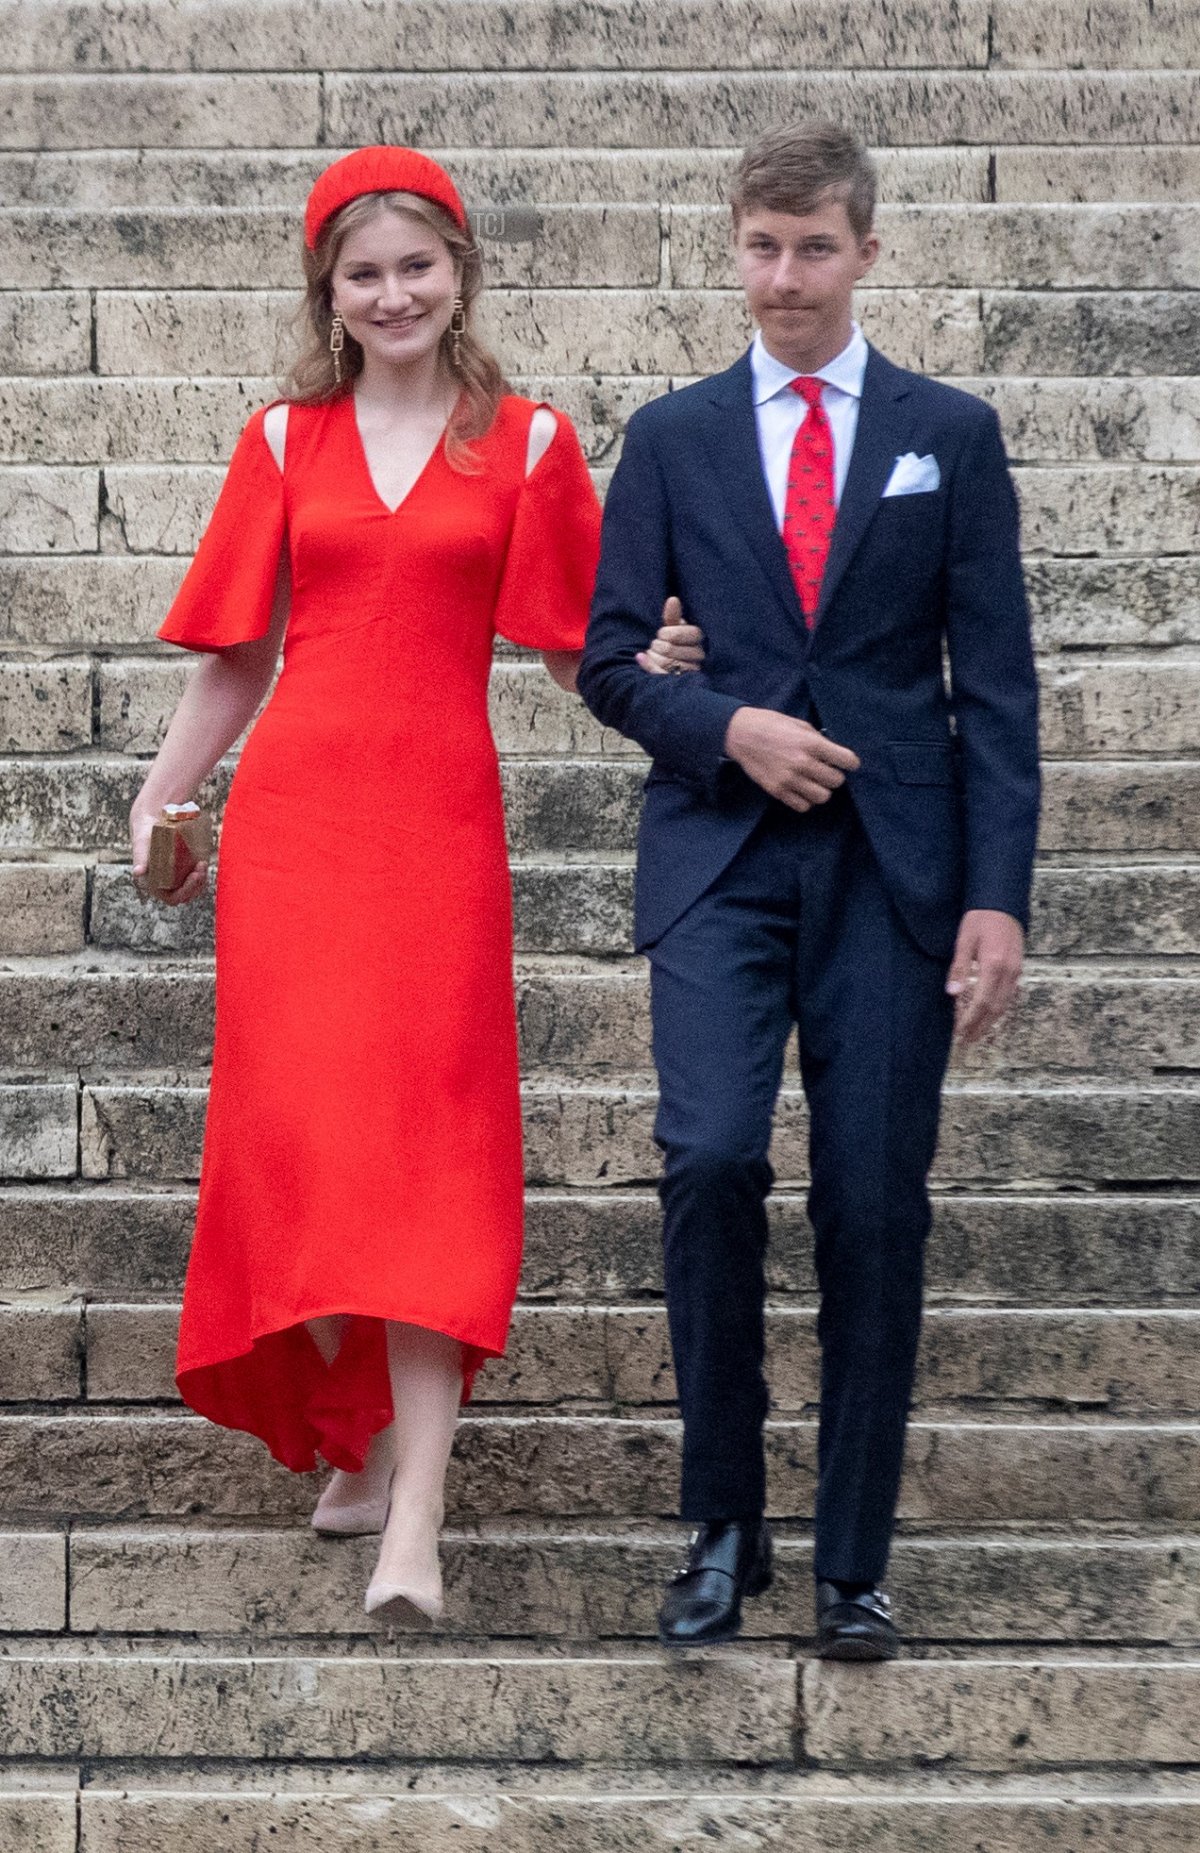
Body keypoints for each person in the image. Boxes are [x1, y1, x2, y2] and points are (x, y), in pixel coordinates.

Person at [131, 145, 696, 1621]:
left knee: (428, 1162)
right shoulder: (278, 442)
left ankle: (417, 1525)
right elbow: (240, 652)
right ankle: (356, 1438)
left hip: (436, 837)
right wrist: (160, 791)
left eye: (416, 266)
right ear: (329, 290)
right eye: (363, 272)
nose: (392, 293)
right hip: (299, 833)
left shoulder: (527, 443)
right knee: (316, 1147)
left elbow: (580, 645)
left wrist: (680, 683)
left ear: (461, 271)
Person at [579, 119, 1040, 1659]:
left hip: (897, 873)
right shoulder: (673, 435)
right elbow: (605, 658)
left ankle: (854, 1558)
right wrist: (725, 727)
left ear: (867, 250)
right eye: (762, 247)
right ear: (735, 248)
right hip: (719, 858)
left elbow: (1002, 690)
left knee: (873, 1204)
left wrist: (1000, 898)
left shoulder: (949, 433)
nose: (786, 277)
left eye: (815, 247)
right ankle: (721, 1525)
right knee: (709, 1160)